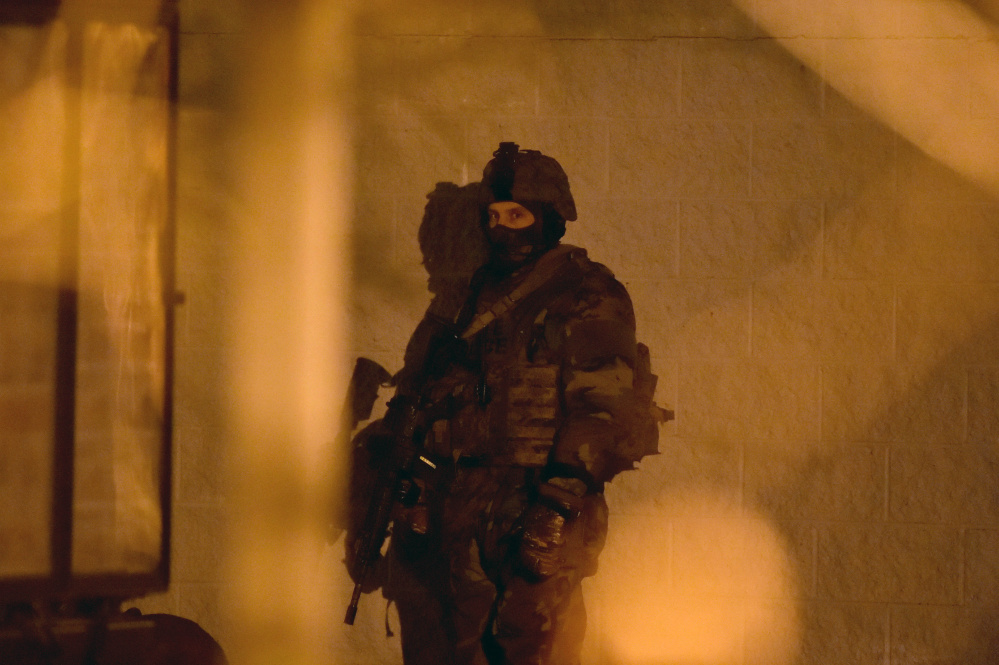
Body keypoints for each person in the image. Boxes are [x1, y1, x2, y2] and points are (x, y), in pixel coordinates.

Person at [348, 142, 663, 665]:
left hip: (540, 506)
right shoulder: (476, 300)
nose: (502, 229)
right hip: (468, 510)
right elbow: (442, 399)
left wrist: (558, 504)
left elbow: (602, 406)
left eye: (516, 215)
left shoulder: (585, 292)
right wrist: (419, 479)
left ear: (549, 219)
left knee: (535, 650)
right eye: (494, 217)